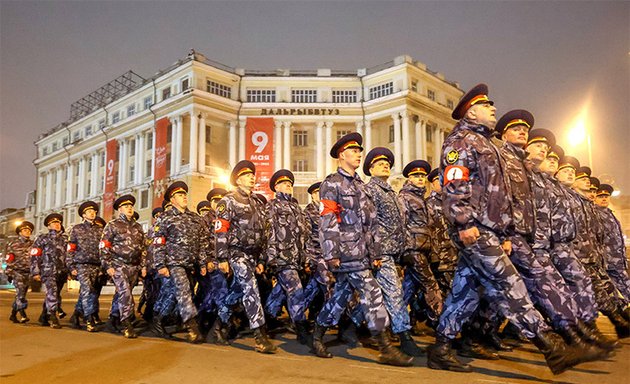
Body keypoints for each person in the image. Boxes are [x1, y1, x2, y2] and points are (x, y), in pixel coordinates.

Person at [428, 83, 596, 375]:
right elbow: (455, 182)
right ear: (471, 111)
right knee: (510, 283)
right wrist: (463, 222)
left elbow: (501, 194)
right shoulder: (461, 141)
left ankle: (441, 347)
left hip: (491, 230)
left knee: (466, 291)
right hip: (475, 228)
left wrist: (505, 233)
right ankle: (550, 345)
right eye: (486, 105)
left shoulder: (488, 143)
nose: (493, 108)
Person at [311, 132, 412, 367]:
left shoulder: (361, 186)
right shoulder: (331, 183)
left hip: (363, 253)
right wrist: (330, 253)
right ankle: (386, 348)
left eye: (359, 151)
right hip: (345, 252)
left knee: (340, 297)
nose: (359, 154)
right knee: (372, 293)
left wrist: (375, 252)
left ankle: (316, 335)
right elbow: (327, 220)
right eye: (354, 151)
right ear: (341, 155)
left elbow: (372, 222)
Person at [360, 147, 423, 357]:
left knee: (369, 295)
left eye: (387, 163)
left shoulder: (391, 192)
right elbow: (369, 224)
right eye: (380, 164)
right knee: (394, 294)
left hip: (392, 252)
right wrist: (375, 253)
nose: (385, 165)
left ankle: (351, 327)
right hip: (381, 252)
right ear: (370, 169)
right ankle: (404, 336)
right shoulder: (371, 191)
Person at [213, 160, 277, 354]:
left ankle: (219, 324)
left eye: (252, 175)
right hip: (236, 253)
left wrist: (260, 260)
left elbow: (263, 233)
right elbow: (220, 231)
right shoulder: (228, 201)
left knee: (236, 293)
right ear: (238, 179)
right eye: (247, 175)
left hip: (252, 256)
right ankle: (259, 335)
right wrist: (222, 258)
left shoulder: (257, 203)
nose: (252, 178)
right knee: (251, 289)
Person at [152, 181, 211, 343]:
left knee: (173, 294)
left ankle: (158, 320)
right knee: (184, 290)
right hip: (173, 263)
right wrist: (160, 265)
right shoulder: (165, 218)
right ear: (172, 200)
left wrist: (203, 263)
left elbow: (202, 242)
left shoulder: (195, 218)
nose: (184, 196)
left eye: (185, 194)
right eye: (179, 195)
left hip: (190, 264)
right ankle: (192, 327)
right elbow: (158, 242)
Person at [264, 169, 311, 345]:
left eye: (290, 184)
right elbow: (269, 234)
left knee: (281, 291)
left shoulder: (297, 208)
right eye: (284, 184)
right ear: (276, 187)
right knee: (296, 290)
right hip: (282, 258)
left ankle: (267, 317)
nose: (288, 186)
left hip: (295, 259)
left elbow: (302, 235)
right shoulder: (271, 206)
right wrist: (271, 257)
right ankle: (301, 327)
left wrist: (304, 258)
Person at [100, 194, 147, 338]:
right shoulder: (112, 225)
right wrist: (108, 265)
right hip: (118, 265)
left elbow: (143, 248)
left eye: (131, 206)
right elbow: (104, 246)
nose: (129, 208)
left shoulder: (138, 226)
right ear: (119, 209)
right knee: (125, 294)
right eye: (126, 206)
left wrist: (143, 266)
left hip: (133, 267)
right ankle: (127, 323)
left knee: (121, 294)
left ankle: (113, 319)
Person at [67, 201, 103, 332]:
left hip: (96, 265)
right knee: (87, 290)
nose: (92, 213)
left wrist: (104, 266)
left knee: (90, 293)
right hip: (82, 265)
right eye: (89, 212)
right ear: (83, 215)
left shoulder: (100, 230)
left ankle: (76, 314)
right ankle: (88, 319)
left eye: (94, 211)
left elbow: (103, 249)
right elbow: (71, 249)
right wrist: (71, 267)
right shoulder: (77, 229)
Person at [595, 184, 630, 308]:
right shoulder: (595, 214)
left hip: (618, 262)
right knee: (617, 295)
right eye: (600, 196)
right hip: (608, 263)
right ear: (594, 197)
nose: (604, 199)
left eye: (606, 196)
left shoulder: (610, 214)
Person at [31, 213, 67, 329]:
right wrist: (35, 272)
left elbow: (70, 255)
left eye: (58, 223)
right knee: (52, 292)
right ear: (48, 226)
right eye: (54, 223)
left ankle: (43, 316)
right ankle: (52, 316)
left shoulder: (65, 239)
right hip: (48, 270)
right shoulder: (42, 239)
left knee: (55, 294)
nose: (57, 225)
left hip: (61, 271)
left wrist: (70, 270)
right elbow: (35, 256)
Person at [6, 221, 34, 323]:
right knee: (21, 293)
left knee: (21, 294)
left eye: (29, 231)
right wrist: (9, 272)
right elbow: (10, 258)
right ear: (20, 232)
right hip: (17, 271)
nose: (27, 232)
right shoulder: (13, 244)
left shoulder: (33, 244)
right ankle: (23, 314)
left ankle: (13, 315)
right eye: (25, 230)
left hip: (28, 272)